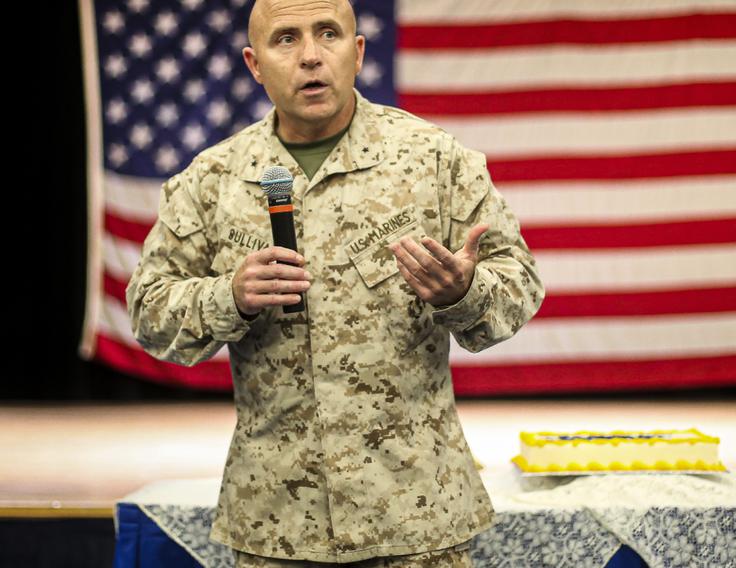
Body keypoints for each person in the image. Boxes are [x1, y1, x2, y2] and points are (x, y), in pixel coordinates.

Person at [126, 0, 544, 566]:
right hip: (276, 523)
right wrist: (226, 296)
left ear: (359, 51)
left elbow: (520, 283)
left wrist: (463, 293)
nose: (311, 57)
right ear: (254, 63)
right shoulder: (211, 180)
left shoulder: (435, 160)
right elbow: (150, 314)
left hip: (417, 517)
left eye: (329, 34)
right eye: (287, 39)